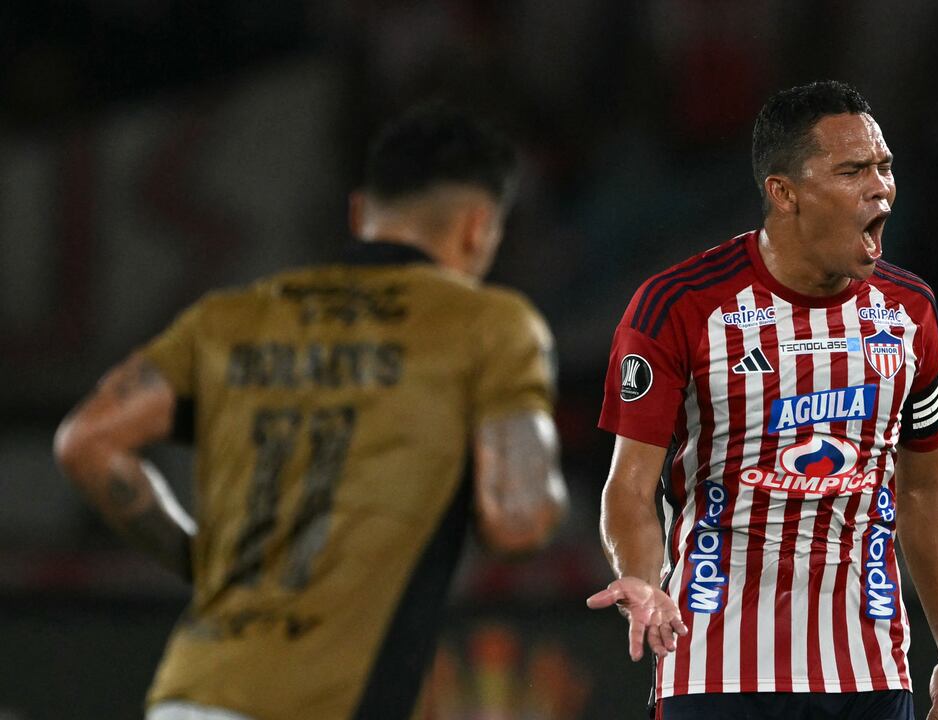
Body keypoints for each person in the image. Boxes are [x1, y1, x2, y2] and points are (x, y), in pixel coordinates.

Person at [53, 103, 568, 720]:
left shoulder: (230, 319)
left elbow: (86, 441)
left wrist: (197, 561)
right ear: (478, 228)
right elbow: (519, 520)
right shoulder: (488, 325)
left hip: (192, 693)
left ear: (358, 213)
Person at [587, 80, 938, 720]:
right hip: (715, 667)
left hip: (869, 671)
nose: (880, 189)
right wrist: (643, 581)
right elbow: (628, 488)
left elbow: (926, 487)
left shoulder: (910, 313)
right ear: (783, 193)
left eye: (884, 167)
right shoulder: (679, 307)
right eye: (852, 171)